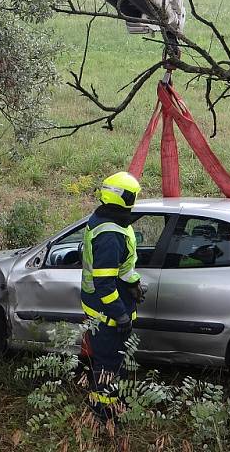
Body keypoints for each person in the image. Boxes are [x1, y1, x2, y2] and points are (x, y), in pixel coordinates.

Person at [81, 171, 144, 423]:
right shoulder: (110, 234)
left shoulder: (107, 220)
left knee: (114, 361)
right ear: (125, 198)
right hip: (105, 312)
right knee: (107, 363)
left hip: (103, 305)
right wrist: (119, 314)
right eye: (133, 196)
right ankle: (103, 414)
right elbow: (105, 284)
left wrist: (134, 283)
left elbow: (122, 269)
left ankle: (115, 401)